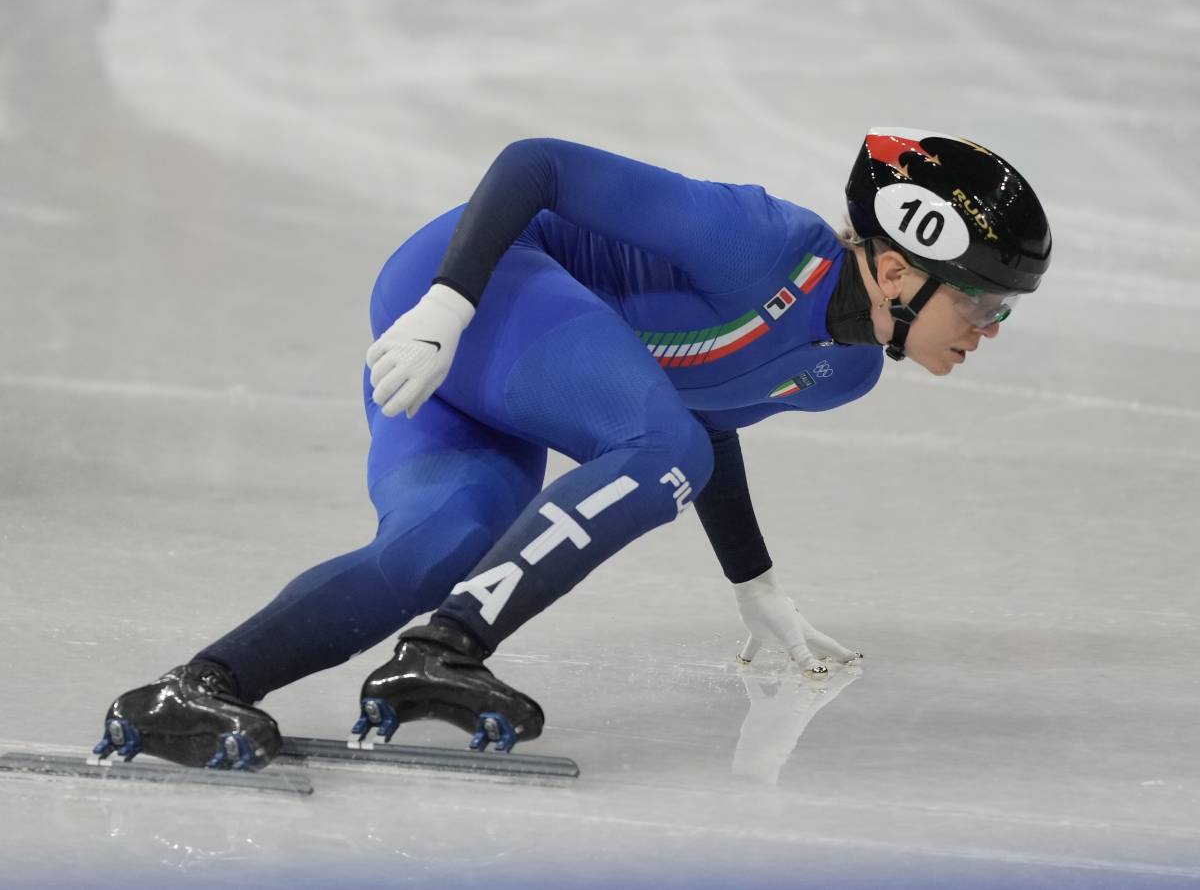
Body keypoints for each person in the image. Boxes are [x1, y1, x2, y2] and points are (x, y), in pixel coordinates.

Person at [93, 129, 1052, 770]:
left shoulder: (844, 372)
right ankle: (445, 651)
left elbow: (706, 427)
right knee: (658, 439)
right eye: (984, 301)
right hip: (469, 289)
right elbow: (536, 163)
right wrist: (448, 305)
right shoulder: (758, 242)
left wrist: (756, 590)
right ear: (895, 267)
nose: (991, 328)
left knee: (439, 545)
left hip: (518, 374)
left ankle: (191, 689)